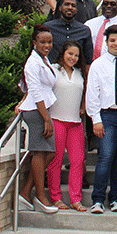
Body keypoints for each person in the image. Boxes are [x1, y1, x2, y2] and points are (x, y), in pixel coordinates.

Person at [86, 25, 117, 214]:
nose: (116, 43)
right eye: (112, 40)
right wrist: (95, 119)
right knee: (106, 156)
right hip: (106, 115)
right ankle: (97, 199)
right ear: (106, 43)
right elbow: (92, 94)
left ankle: (115, 198)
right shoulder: (98, 64)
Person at [17, 26, 59, 214]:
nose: (47, 45)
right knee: (41, 152)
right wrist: (46, 119)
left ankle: (25, 192)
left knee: (48, 152)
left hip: (42, 109)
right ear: (34, 43)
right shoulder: (32, 63)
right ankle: (41, 197)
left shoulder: (43, 60)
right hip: (37, 111)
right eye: (42, 42)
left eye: (49, 42)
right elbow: (33, 90)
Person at [46, 40, 87, 211]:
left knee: (78, 160)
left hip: (75, 123)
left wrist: (83, 107)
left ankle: (75, 199)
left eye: (76, 55)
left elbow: (84, 92)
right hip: (56, 120)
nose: (73, 57)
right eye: (70, 53)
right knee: (56, 160)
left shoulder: (80, 73)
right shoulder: (53, 70)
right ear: (63, 52)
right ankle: (55, 197)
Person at [44, 0, 94, 72]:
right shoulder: (48, 28)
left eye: (73, 5)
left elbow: (88, 60)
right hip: (52, 73)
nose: (70, 7)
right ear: (60, 8)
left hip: (76, 74)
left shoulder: (84, 30)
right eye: (66, 4)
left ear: (76, 9)